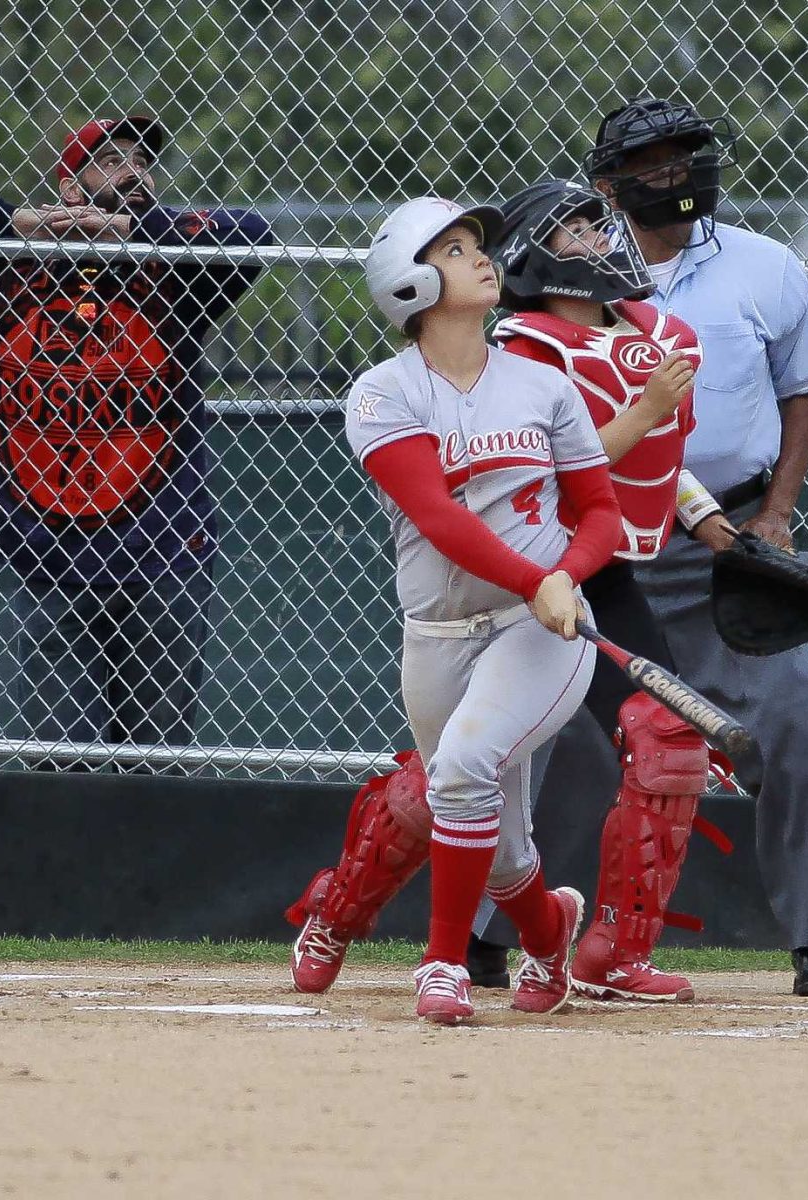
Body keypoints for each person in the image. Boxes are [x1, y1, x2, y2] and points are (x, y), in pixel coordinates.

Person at [293, 195, 623, 1024]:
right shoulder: (380, 394)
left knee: (466, 767)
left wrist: (567, 574)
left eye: (477, 245)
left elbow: (600, 512)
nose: (481, 257)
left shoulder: (544, 386)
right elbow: (438, 520)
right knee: (493, 833)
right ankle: (549, 933)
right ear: (409, 284)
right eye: (452, 249)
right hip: (437, 635)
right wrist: (532, 576)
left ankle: (441, 965)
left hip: (538, 632)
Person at [0, 115, 274, 771]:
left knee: (159, 766)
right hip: (51, 559)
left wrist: (124, 230)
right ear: (69, 186)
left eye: (142, 161)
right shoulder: (6, 271)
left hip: (163, 556)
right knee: (63, 767)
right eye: (111, 160)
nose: (133, 172)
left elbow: (253, 235)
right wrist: (22, 225)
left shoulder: (177, 272)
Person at [578, 97, 808, 996]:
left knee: (795, 725)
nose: (673, 174)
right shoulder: (569, 273)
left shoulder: (764, 267)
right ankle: (497, 932)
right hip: (597, 537)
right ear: (606, 185)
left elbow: (801, 390)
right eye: (650, 161)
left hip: (722, 536)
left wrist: (776, 513)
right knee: (550, 735)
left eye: (684, 155)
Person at [465, 179, 740, 1002]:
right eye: (575, 230)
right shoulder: (522, 349)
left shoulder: (633, 335)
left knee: (668, 739)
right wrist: (652, 401)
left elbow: (657, 456)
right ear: (533, 256)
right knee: (465, 762)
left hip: (604, 570)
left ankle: (614, 951)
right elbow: (558, 466)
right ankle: (352, 903)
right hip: (525, 571)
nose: (596, 239)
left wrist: (712, 525)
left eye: (595, 224)